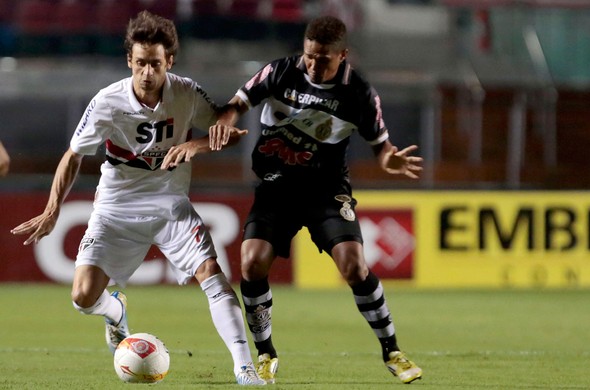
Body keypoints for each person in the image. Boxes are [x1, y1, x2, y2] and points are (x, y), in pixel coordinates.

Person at [164, 15, 424, 385]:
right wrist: (226, 120)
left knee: (354, 266)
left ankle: (392, 350)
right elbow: (237, 102)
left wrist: (391, 160)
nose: (314, 66)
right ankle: (266, 352)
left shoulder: (359, 93)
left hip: (326, 190)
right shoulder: (281, 71)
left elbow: (382, 148)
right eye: (309, 56)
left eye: (324, 59)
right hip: (276, 187)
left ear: (343, 56)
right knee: (252, 263)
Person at [11, 11, 265, 386]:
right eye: (141, 63)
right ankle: (115, 311)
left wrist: (195, 144)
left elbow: (232, 131)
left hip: (170, 204)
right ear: (130, 60)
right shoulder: (107, 102)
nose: (148, 72)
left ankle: (245, 368)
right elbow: (73, 155)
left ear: (170, 62)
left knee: (213, 274)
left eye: (156, 64)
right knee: (82, 297)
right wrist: (52, 210)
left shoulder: (186, 92)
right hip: (116, 205)